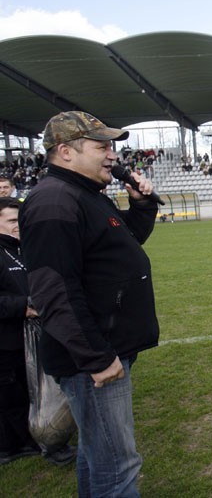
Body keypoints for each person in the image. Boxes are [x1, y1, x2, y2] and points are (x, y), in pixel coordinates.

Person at [19, 111, 160, 497]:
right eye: (101, 146)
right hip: (91, 360)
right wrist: (96, 356)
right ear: (65, 151)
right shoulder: (54, 202)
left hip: (101, 349)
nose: (112, 155)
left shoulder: (83, 195)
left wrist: (142, 204)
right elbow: (54, 292)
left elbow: (124, 246)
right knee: (117, 465)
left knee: (96, 456)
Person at [0, 197, 77, 467]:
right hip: (7, 342)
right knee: (15, 397)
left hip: (34, 336)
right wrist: (23, 306)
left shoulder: (23, 249)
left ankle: (46, 439)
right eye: (11, 221)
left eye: (19, 220)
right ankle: (21, 445)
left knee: (41, 392)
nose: (17, 226)